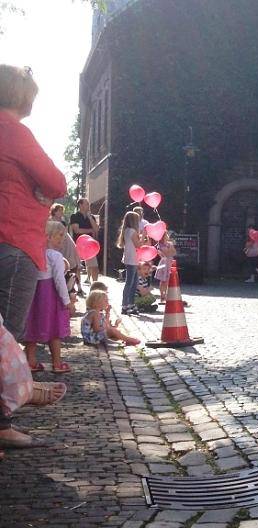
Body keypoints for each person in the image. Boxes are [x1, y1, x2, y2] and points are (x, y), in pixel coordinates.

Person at [0, 64, 68, 451]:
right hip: (15, 241)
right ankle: (3, 418)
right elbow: (57, 182)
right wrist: (39, 193)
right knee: (6, 335)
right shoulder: (14, 131)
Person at [22, 221, 72, 374]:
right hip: (49, 295)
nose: (62, 239)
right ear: (48, 237)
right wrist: (67, 301)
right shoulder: (55, 256)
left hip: (33, 293)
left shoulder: (33, 252)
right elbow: (59, 280)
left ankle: (30, 361)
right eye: (60, 235)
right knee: (54, 329)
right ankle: (57, 363)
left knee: (32, 326)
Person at [51, 203, 82, 297]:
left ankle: (76, 286)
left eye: (62, 211)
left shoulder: (63, 221)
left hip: (67, 245)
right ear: (54, 211)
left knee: (74, 265)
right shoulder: (51, 222)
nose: (61, 213)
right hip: (60, 246)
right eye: (59, 210)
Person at [116, 211, 143, 314]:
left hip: (131, 258)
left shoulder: (127, 230)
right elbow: (138, 245)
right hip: (132, 259)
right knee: (130, 283)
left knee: (134, 282)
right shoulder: (132, 231)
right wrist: (144, 235)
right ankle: (125, 305)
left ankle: (130, 304)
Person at [69, 197, 99, 282]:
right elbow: (77, 230)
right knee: (78, 267)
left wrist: (90, 218)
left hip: (90, 246)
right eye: (86, 204)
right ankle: (79, 288)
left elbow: (96, 229)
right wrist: (90, 230)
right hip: (78, 244)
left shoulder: (91, 217)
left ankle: (95, 286)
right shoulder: (74, 216)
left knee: (94, 266)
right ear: (80, 205)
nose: (89, 206)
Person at [154, 232, 175, 302]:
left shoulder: (169, 244)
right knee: (163, 280)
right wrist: (170, 248)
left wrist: (170, 247)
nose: (168, 236)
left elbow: (174, 252)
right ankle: (162, 296)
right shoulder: (160, 245)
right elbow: (166, 253)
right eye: (166, 235)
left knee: (167, 280)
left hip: (169, 263)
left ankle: (165, 295)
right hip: (164, 263)